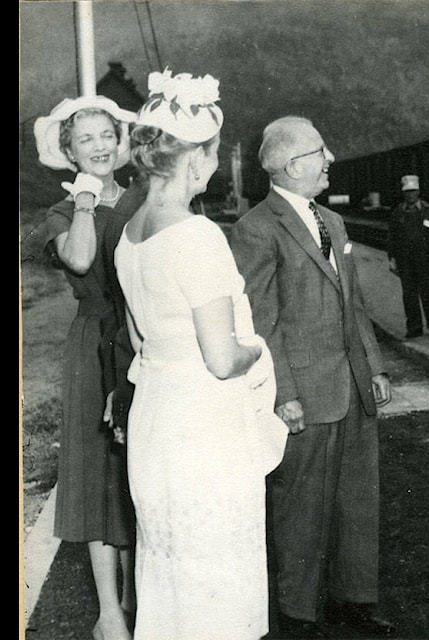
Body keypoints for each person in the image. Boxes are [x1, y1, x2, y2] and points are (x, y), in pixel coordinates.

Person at [114, 68, 287, 639]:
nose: (213, 166)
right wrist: (256, 347)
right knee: (219, 577)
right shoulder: (197, 236)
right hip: (204, 426)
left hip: (157, 419)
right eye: (213, 154)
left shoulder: (131, 235)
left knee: (169, 572)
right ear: (194, 158)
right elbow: (220, 358)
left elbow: (142, 341)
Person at [229, 115, 397, 639]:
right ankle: (299, 612)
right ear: (292, 165)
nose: (329, 160)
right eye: (320, 152)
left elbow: (355, 303)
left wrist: (374, 366)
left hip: (351, 384)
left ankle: (354, 599)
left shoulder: (334, 222)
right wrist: (284, 394)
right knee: (300, 506)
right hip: (304, 392)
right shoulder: (256, 229)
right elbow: (261, 320)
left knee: (357, 499)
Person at [25, 94, 139, 640]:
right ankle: (109, 614)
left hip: (147, 340)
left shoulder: (145, 197)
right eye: (85, 139)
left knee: (143, 468)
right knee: (98, 471)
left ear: (121, 143)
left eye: (106, 136)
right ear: (68, 151)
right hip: (95, 345)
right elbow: (80, 259)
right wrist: (89, 201)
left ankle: (140, 597)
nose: (99, 146)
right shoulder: (64, 213)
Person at [387, 174, 429, 338]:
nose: (410, 195)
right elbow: (392, 237)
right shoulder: (398, 213)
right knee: (409, 296)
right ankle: (414, 328)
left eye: (413, 191)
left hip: (425, 261)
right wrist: (391, 259)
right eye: (407, 192)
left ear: (418, 192)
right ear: (403, 193)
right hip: (405, 262)